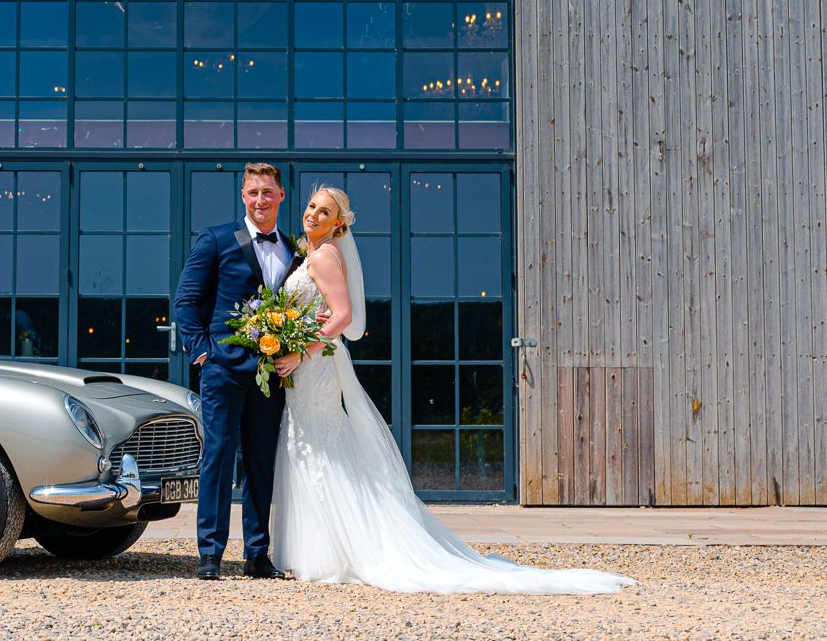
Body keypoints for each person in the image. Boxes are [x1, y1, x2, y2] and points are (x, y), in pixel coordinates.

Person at [269, 184, 636, 594]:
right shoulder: (312, 255)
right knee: (312, 448)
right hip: (306, 371)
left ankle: (333, 553)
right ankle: (321, 550)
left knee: (319, 449)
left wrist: (301, 354)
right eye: (312, 206)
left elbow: (343, 317)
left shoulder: (323, 256)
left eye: (325, 211)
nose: (314, 214)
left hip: (315, 370)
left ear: (338, 224)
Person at [170, 161, 302, 581]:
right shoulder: (216, 239)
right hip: (223, 370)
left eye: (268, 192)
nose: (260, 200)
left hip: (271, 373)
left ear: (281, 195)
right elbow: (185, 301)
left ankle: (257, 554)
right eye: (253, 193)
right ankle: (210, 553)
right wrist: (203, 353)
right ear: (242, 197)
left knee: (261, 463)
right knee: (218, 459)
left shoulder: (294, 250)